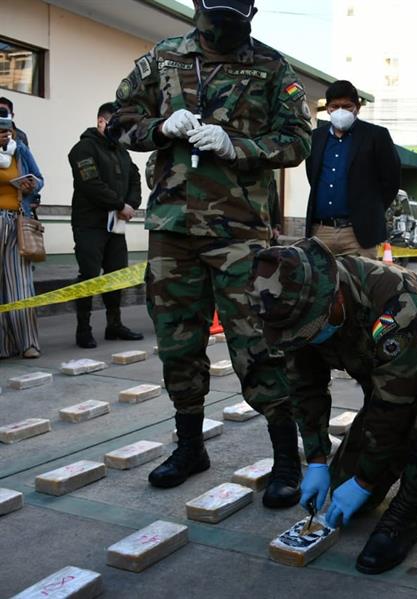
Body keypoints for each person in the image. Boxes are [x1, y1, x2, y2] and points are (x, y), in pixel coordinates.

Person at [107, 0, 313, 506]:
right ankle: (189, 447)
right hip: (173, 227)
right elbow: (118, 120)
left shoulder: (271, 66)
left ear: (252, 12)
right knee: (178, 344)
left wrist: (236, 145)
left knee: (259, 345)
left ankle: (287, 457)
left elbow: (298, 140)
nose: (225, 21)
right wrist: (161, 127)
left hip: (241, 232)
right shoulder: (164, 57)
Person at [247, 238, 417, 575]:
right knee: (343, 492)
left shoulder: (398, 304)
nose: (307, 336)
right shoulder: (297, 307)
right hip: (391, 394)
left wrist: (366, 481)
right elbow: (306, 389)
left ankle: (405, 516)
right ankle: (396, 466)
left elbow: (394, 406)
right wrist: (318, 461)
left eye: (311, 328)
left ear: (334, 296)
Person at [68, 102, 144, 348]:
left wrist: (130, 204)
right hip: (90, 224)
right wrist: (119, 205)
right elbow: (91, 184)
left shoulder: (121, 151)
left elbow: (135, 177)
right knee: (89, 276)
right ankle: (83, 329)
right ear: (101, 121)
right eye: (114, 123)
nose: (118, 130)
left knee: (116, 275)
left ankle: (114, 325)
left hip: (116, 226)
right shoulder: (83, 149)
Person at [304, 80, 400, 258]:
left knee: (359, 284)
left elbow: (391, 181)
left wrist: (369, 210)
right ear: (327, 108)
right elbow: (313, 176)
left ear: (357, 107)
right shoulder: (315, 138)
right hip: (320, 231)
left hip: (358, 234)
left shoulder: (376, 136)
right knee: (322, 285)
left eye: (347, 106)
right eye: (335, 106)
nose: (340, 111)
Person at [0, 108, 43, 358]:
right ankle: (3, 345)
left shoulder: (20, 151)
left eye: (7, 131)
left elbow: (39, 178)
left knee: (20, 282)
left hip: (16, 220)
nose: (4, 136)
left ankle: (29, 343)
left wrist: (32, 185)